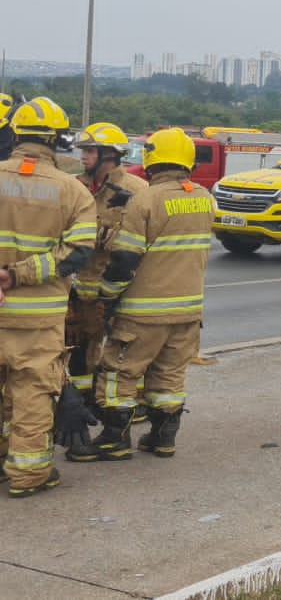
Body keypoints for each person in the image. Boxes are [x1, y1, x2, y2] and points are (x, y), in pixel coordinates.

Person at [69, 128, 214, 462]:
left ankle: (113, 440)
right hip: (188, 312)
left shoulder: (145, 199)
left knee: (116, 374)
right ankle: (162, 438)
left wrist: (106, 294)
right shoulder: (205, 198)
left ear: (151, 158)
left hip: (144, 313)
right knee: (169, 377)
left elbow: (124, 261)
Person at [0, 99, 99, 494]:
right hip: (37, 319)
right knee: (32, 394)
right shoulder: (72, 192)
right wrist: (17, 275)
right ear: (58, 140)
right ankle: (27, 474)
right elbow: (78, 253)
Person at [69, 123, 148, 403]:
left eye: (90, 151)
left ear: (109, 155)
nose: (84, 157)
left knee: (119, 355)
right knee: (78, 355)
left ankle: (126, 407)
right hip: (80, 293)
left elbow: (137, 249)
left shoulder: (136, 191)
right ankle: (82, 406)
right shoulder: (76, 187)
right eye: (83, 151)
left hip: (116, 293)